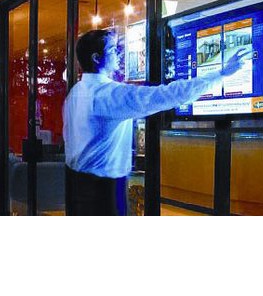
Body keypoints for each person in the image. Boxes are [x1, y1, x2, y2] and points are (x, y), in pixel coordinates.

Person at [63, 29, 247, 216]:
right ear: (96, 58)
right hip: (103, 192)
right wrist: (221, 74)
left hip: (75, 185)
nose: (118, 54)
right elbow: (169, 95)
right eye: (112, 49)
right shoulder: (110, 95)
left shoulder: (75, 93)